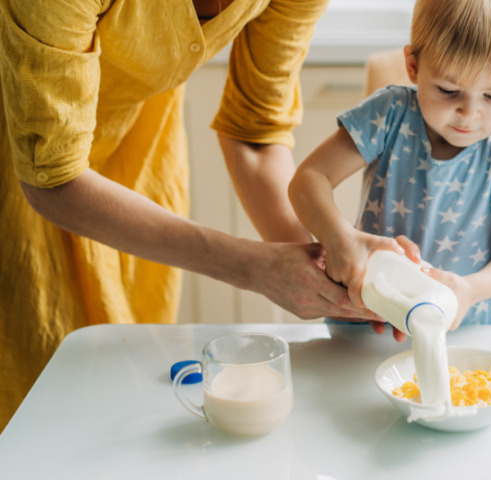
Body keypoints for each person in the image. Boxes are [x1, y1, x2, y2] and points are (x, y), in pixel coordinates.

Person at [0, 0, 380, 432]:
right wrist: (255, 267)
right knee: (37, 396)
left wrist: (325, 267)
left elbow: (254, 132)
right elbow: (53, 178)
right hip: (22, 146)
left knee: (125, 383)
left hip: (138, 155)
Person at [289, 0, 491, 338]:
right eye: (448, 91)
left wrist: (470, 289)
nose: (469, 113)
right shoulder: (389, 114)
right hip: (370, 323)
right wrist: (337, 237)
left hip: (473, 330)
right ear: (414, 65)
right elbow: (309, 179)